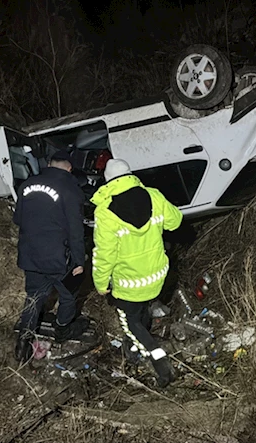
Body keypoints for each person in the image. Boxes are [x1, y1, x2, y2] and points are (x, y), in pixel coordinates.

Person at [90, 159, 183, 388]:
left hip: (129, 284)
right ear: (130, 175)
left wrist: (101, 284)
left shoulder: (105, 211)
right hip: (157, 275)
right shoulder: (153, 195)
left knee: (131, 322)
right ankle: (131, 349)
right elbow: (176, 221)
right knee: (142, 311)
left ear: (108, 181)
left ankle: (158, 360)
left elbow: (104, 255)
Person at [12, 149, 89, 364]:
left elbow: (18, 219)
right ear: (70, 167)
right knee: (68, 294)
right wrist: (79, 261)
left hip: (31, 255)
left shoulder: (27, 185)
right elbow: (76, 231)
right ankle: (63, 329)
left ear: (49, 163)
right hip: (59, 258)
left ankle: (22, 342)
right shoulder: (71, 190)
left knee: (34, 297)